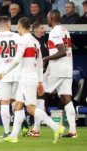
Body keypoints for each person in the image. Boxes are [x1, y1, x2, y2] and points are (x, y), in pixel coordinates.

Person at [0, 17, 64, 143]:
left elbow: (17, 60)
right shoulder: (35, 41)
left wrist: (3, 72)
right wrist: (39, 81)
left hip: (27, 78)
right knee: (18, 105)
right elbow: (39, 63)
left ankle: (56, 127)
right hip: (29, 77)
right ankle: (14, 136)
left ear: (19, 26)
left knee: (30, 109)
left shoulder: (23, 40)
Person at [43, 9, 77, 138]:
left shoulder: (55, 31)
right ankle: (73, 131)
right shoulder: (65, 30)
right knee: (66, 98)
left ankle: (38, 127)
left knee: (38, 92)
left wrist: (46, 58)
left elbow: (61, 51)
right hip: (67, 68)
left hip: (57, 69)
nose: (47, 20)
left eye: (47, 17)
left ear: (51, 18)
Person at [0, 16, 21, 138]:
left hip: (2, 75)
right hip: (17, 74)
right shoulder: (18, 37)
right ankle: (18, 130)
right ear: (9, 24)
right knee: (18, 103)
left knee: (4, 102)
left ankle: (7, 132)